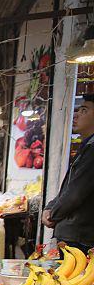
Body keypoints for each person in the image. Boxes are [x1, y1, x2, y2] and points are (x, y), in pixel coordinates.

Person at [43, 94, 94, 252]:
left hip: (79, 239)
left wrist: (52, 214)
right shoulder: (86, 147)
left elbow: (75, 194)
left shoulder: (92, 151)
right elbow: (67, 188)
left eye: (84, 111)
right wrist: (49, 207)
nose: (76, 115)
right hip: (73, 235)